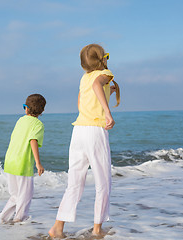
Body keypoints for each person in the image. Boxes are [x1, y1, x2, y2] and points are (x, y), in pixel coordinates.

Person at [49, 44, 120, 238]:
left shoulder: (83, 78)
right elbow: (98, 85)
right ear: (102, 59)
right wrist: (107, 113)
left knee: (75, 182)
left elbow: (82, 101)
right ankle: (97, 229)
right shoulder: (105, 73)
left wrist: (108, 92)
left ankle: (57, 227)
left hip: (78, 130)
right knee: (103, 181)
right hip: (95, 131)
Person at [0, 94, 46, 224]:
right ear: (42, 111)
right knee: (25, 195)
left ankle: (1, 218)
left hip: (10, 161)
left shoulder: (20, 120)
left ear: (26, 109)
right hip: (23, 164)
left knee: (16, 195)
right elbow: (33, 140)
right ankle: (19, 219)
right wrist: (38, 163)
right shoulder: (38, 124)